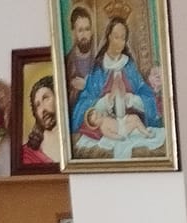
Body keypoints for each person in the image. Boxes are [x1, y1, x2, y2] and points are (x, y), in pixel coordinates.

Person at [70, 16, 165, 159]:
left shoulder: (130, 67)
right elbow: (82, 106)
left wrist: (131, 99)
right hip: (107, 129)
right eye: (116, 37)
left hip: (130, 127)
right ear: (108, 37)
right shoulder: (98, 69)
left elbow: (147, 95)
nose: (120, 42)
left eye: (123, 38)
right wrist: (106, 100)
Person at [64, 7, 99, 105]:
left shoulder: (100, 61)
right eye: (80, 30)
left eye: (87, 29)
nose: (84, 35)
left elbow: (107, 92)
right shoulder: (66, 63)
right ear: (73, 32)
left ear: (91, 31)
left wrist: (86, 86)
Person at [23, 75, 60, 166]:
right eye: (37, 105)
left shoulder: (78, 141)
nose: (42, 109)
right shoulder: (27, 154)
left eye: (46, 98)